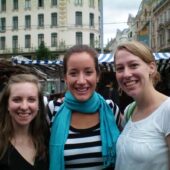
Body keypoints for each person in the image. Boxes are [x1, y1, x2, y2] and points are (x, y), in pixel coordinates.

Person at [49, 44, 120, 170]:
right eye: (73, 73)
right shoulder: (53, 109)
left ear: (97, 76)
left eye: (88, 72)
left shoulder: (110, 109)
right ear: (65, 77)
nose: (81, 81)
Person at [114, 40, 170, 170]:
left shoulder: (167, 110)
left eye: (133, 65)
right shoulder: (130, 110)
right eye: (120, 68)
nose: (126, 74)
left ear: (152, 67)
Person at [0, 74, 49, 170]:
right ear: (7, 104)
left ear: (39, 104)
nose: (24, 107)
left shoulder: (46, 138)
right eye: (17, 99)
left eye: (31, 99)